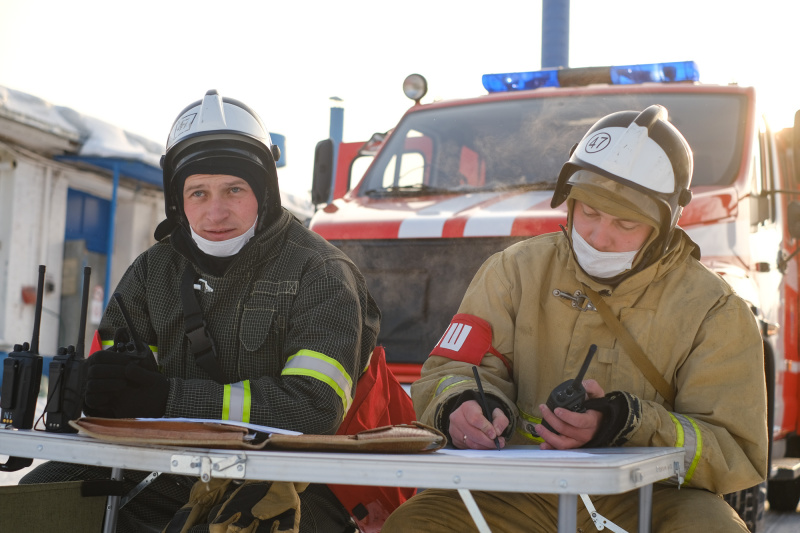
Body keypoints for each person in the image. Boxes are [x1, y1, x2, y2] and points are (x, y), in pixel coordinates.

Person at [382, 105, 768, 532]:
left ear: (665, 224)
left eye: (625, 222)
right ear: (569, 203)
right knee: (415, 525)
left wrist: (625, 422)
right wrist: (463, 405)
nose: (601, 238)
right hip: (509, 492)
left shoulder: (713, 310)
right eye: (589, 212)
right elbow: (449, 371)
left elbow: (733, 451)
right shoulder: (513, 271)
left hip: (647, 499)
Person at [21, 89, 380, 532]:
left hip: (290, 482)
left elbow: (312, 410)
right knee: (30, 507)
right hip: (161, 472)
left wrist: (166, 399)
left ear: (264, 192)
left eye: (234, 189)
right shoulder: (153, 271)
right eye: (198, 193)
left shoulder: (321, 273)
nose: (215, 212)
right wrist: (92, 390)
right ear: (178, 201)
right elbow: (114, 375)